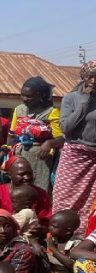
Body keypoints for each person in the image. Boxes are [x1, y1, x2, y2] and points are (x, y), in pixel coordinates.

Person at [53, 60, 96, 236]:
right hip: (75, 156)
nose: (93, 80)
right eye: (90, 76)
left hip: (95, 158)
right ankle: (60, 237)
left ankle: (84, 238)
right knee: (65, 197)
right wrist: (85, 101)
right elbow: (66, 127)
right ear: (84, 77)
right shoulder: (71, 98)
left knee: (91, 202)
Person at [7, 77, 63, 192]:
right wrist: (8, 155)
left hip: (41, 161)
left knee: (38, 191)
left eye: (29, 96)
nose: (24, 99)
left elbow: (62, 139)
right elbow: (11, 135)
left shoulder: (51, 112)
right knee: (19, 192)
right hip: (19, 159)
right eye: (22, 95)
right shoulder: (19, 110)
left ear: (40, 96)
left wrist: (49, 143)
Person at [0, 157, 52, 229]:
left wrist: (39, 228)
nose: (27, 177)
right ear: (9, 175)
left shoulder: (40, 194)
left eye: (30, 174)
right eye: (22, 174)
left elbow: (46, 220)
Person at [45, 209, 81, 273]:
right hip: (50, 272)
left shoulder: (77, 244)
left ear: (68, 231)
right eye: (49, 224)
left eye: (54, 226)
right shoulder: (51, 236)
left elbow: (72, 265)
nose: (49, 228)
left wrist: (52, 248)